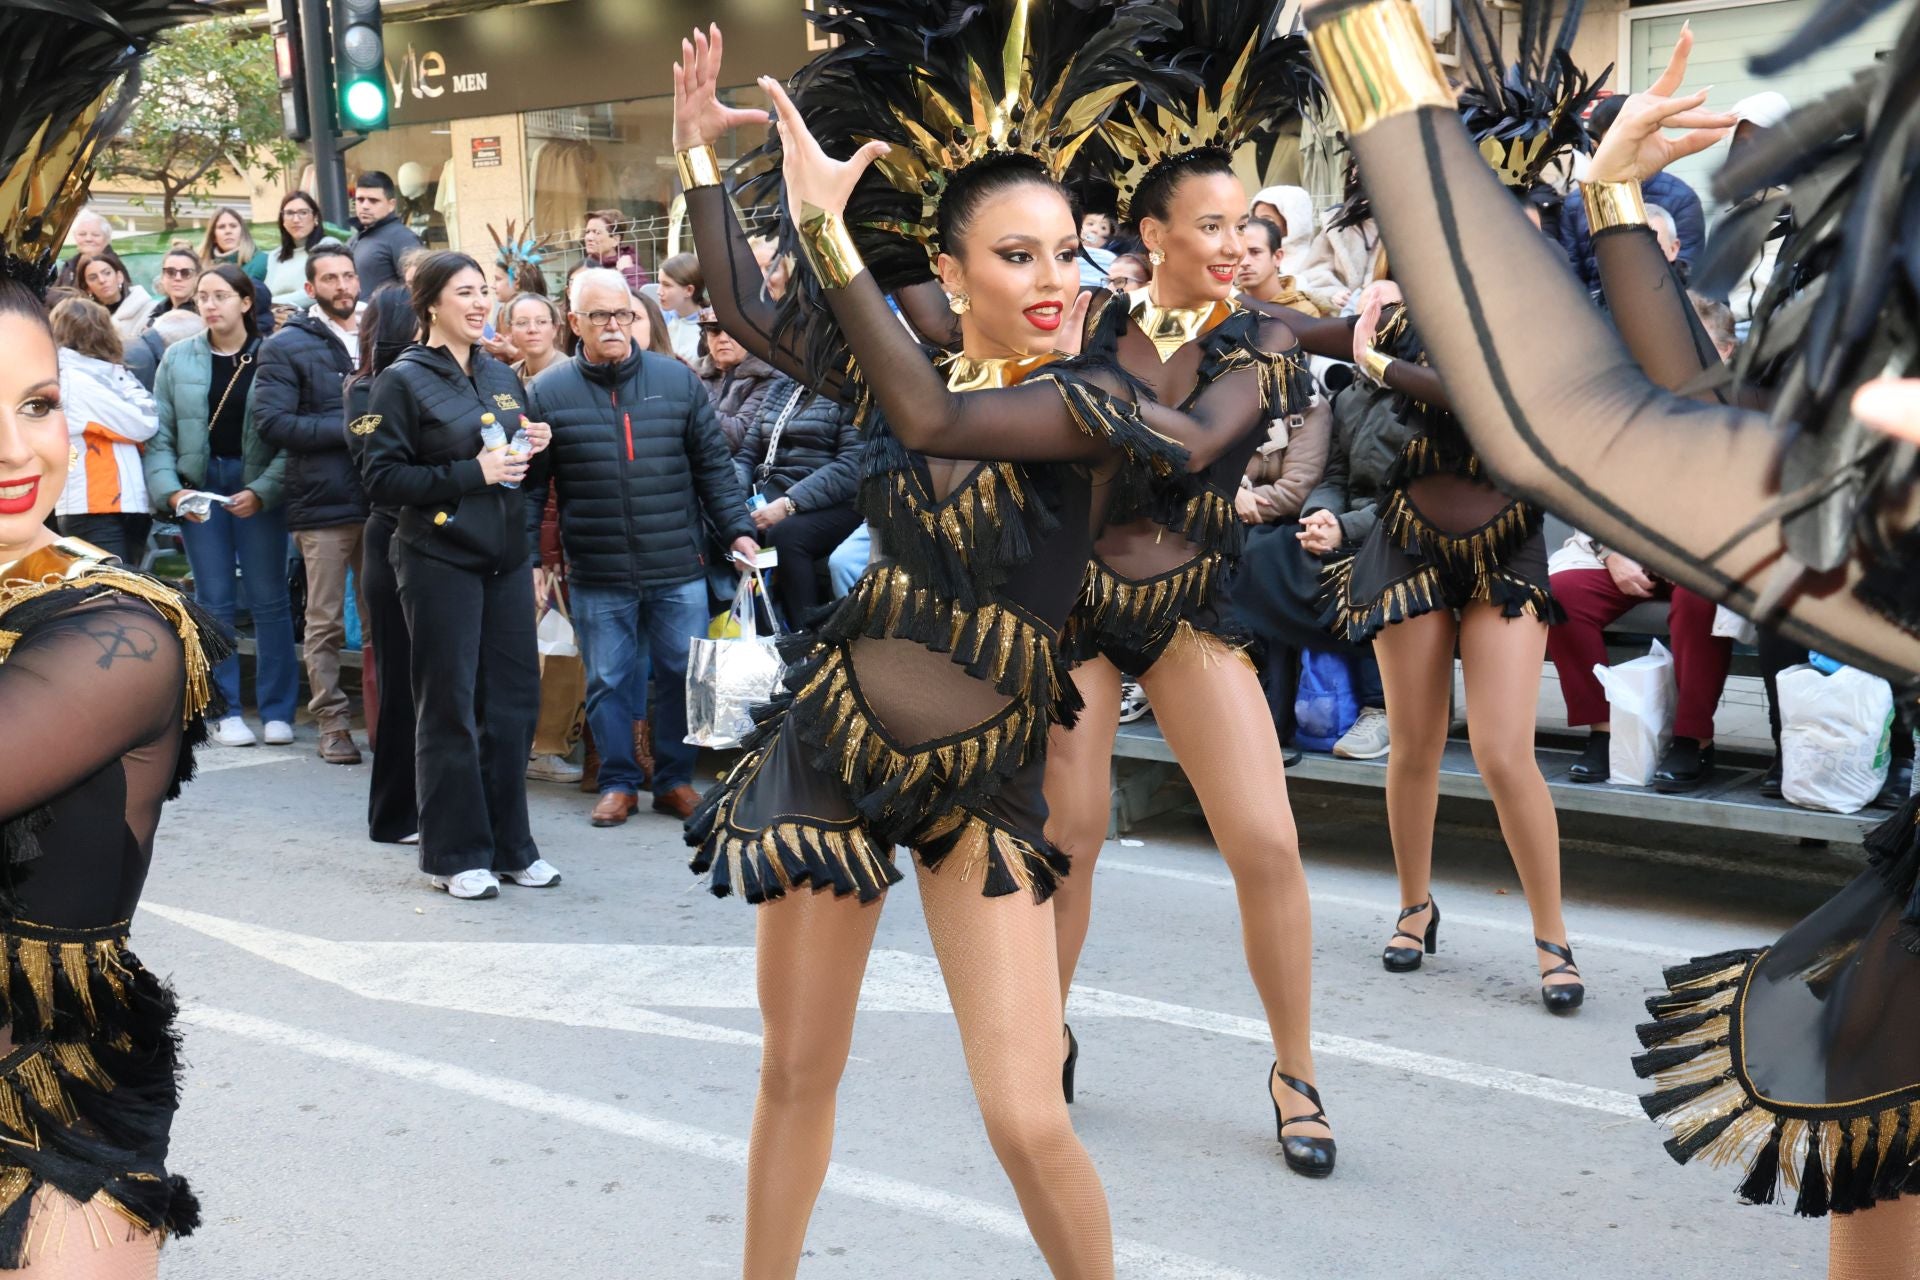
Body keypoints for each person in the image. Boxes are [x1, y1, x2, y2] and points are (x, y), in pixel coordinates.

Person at [676, 13, 1249, 1272]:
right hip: (837, 741)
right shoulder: (916, 358)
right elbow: (744, 306)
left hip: (987, 774)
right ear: (951, 266)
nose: (1054, 277)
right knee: (793, 1072)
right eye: (1016, 252)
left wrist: (829, 235)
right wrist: (700, 163)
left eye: (1068, 248)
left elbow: (927, 408)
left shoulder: (1092, 399)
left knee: (1026, 1113)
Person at [1310, 1, 1603, 1018]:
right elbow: (1326, 338)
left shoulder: (1551, 311)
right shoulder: (1409, 291)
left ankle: (1553, 936)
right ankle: (1412, 903)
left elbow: (1496, 402)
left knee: (1506, 749)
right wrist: (1307, 321)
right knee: (1414, 741)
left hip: (1505, 540)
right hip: (1408, 537)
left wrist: (1377, 357)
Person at [358, 251, 560, 900]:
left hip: (503, 558)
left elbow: (513, 458)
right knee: (448, 706)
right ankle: (454, 854)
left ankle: (511, 847)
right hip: (436, 558)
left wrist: (530, 443)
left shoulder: (502, 375)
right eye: (464, 292)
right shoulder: (401, 381)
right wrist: (473, 473)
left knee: (513, 704)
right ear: (430, 304)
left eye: (484, 292)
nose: (480, 303)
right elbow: (382, 479)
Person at [523, 268, 757, 826]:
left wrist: (739, 530)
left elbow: (714, 471)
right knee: (608, 679)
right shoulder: (547, 393)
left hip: (677, 561)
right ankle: (619, 782)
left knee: (680, 672)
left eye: (623, 314)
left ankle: (675, 780)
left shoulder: (676, 382)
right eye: (600, 315)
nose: (613, 325)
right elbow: (532, 490)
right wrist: (532, 558)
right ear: (574, 322)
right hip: (597, 567)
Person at [146, 263, 301, 751]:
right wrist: (173, 493)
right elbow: (161, 435)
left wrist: (265, 490)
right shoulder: (178, 358)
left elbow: (290, 437)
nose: (209, 305)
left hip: (257, 485)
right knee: (212, 601)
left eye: (220, 295)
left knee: (269, 599)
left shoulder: (272, 356)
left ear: (246, 302)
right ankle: (226, 709)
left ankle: (277, 711)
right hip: (201, 487)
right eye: (202, 297)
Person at [253, 244, 369, 766]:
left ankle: (389, 717)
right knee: (323, 622)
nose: (343, 286)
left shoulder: (378, 332)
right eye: (330, 279)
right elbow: (272, 423)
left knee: (386, 615)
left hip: (382, 496)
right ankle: (332, 721)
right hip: (322, 501)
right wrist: (351, 430)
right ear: (310, 288)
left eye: (348, 275)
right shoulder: (287, 345)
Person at [344, 284, 422, 845]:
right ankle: (394, 813)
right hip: (391, 539)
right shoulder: (365, 390)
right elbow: (373, 462)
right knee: (400, 684)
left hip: (438, 544)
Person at [733, 367, 863, 622]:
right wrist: (735, 506)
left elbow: (852, 465)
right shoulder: (782, 386)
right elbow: (746, 456)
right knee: (719, 520)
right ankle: (733, 627)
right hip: (769, 493)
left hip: (833, 501)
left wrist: (789, 504)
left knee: (787, 534)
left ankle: (806, 636)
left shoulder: (852, 389)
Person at [1556, 92, 1707, 296]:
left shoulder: (1681, 198)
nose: (1625, 148)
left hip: (1664, 309)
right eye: (1616, 141)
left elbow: (1688, 274)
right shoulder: (1576, 203)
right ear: (1596, 145)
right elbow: (1571, 276)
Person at [50, 297, 159, 564]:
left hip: (124, 502)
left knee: (124, 593)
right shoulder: (72, 378)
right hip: (92, 504)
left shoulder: (105, 372)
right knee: (111, 595)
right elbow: (144, 421)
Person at [698, 308, 779, 449]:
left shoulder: (767, 376)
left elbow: (740, 436)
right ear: (705, 338)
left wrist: (691, 404)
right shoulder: (691, 371)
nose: (723, 339)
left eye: (733, 330)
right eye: (714, 330)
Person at [250, 190, 332, 309]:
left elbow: (320, 290)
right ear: (282, 220)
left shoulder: (327, 246)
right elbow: (268, 292)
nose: (296, 219)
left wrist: (273, 304)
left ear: (315, 218)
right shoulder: (275, 255)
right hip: (275, 318)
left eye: (303, 213)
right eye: (289, 213)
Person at [349, 171, 424, 296]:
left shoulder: (402, 238)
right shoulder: (357, 238)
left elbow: (418, 289)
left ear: (391, 205)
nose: (365, 206)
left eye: (373, 200)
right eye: (360, 200)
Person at [1235, 214, 1325, 315]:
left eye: (1255, 252)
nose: (1244, 262)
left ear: (1277, 257)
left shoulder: (1303, 313)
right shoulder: (1224, 308)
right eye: (1239, 254)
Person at [74, 249, 154, 344]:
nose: (102, 280)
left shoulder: (149, 310)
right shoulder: (87, 319)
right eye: (93, 278)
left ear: (119, 277)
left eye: (107, 273)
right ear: (87, 288)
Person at [581, 208, 649, 293]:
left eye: (597, 232)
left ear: (615, 240)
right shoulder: (583, 268)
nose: (589, 238)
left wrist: (628, 272)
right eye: (587, 232)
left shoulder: (630, 268)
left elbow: (638, 299)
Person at [656, 251, 707, 362]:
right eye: (659, 283)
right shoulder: (659, 319)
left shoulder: (711, 324)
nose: (659, 291)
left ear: (688, 290)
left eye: (667, 285)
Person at [506, 292, 566, 380]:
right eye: (522, 323)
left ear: (555, 328)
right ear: (510, 330)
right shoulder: (509, 376)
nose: (532, 329)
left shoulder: (569, 375)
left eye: (541, 322)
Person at [53, 205, 112, 288]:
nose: (88, 239)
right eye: (82, 234)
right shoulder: (70, 265)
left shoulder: (112, 265)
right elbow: (53, 293)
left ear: (106, 239)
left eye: (95, 235)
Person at [1076, 209, 1117, 288]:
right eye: (1090, 224)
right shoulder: (1066, 250)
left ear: (1107, 240)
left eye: (1103, 228)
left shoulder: (1111, 259)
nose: (1095, 230)